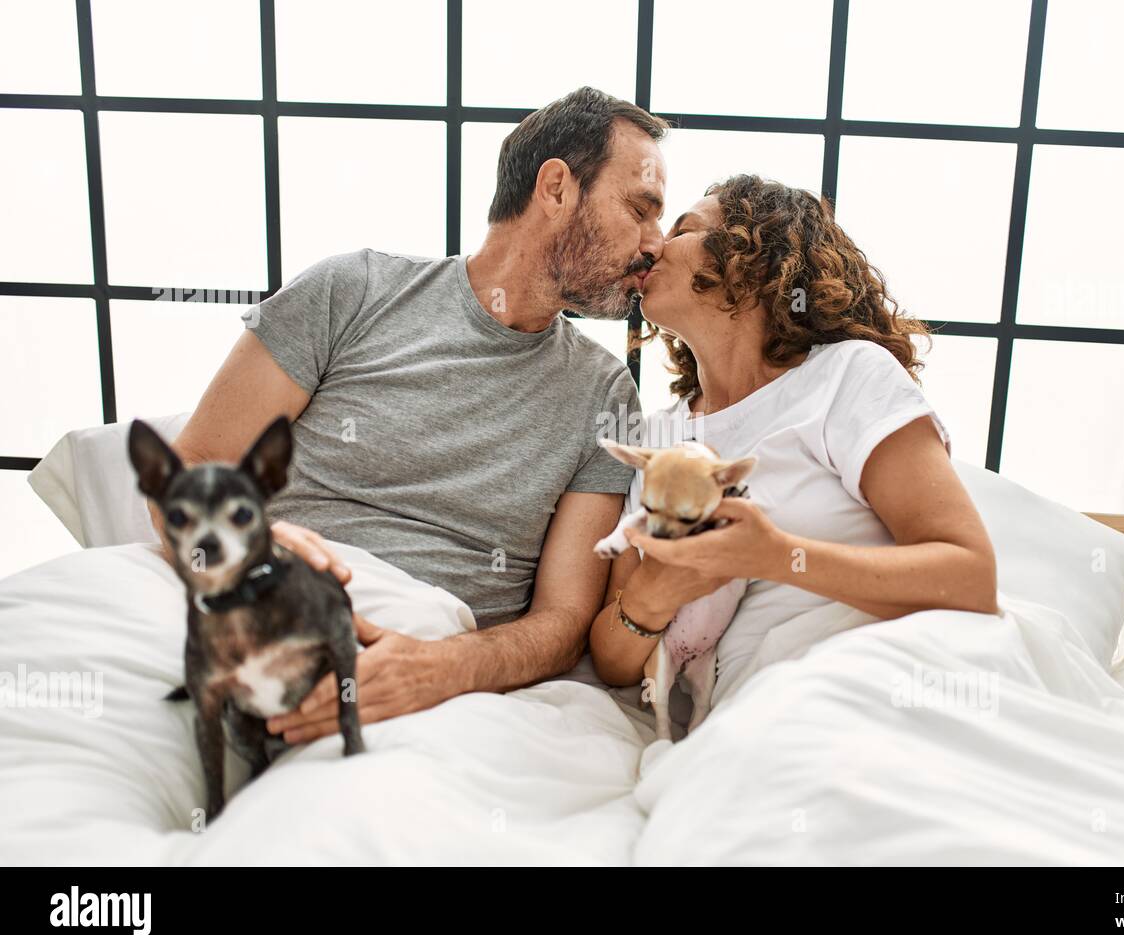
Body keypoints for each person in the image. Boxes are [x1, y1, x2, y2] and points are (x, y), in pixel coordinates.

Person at [151, 87, 668, 744]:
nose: (656, 243)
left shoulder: (605, 395)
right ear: (557, 187)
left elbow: (564, 622)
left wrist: (438, 670)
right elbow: (195, 464)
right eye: (641, 209)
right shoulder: (351, 291)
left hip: (421, 667)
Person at [588, 175, 998, 706]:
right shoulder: (657, 439)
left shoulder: (846, 377)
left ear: (752, 259)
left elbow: (970, 578)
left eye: (683, 229)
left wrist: (774, 555)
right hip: (755, 716)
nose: (652, 247)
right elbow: (612, 662)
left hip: (882, 684)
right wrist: (652, 594)